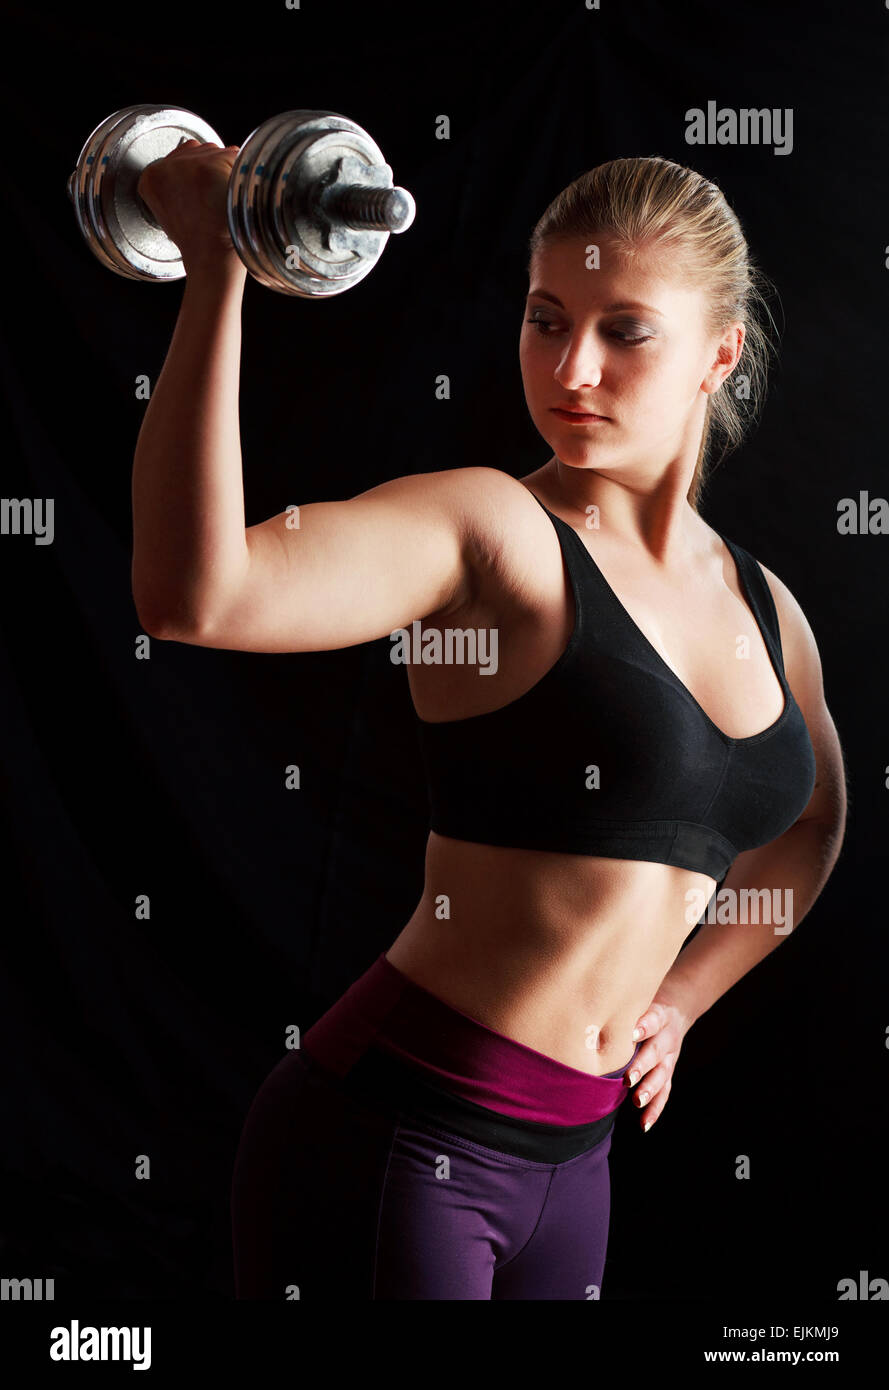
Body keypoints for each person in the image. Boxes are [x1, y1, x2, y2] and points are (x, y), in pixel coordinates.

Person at [133, 147, 847, 1300]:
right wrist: (217, 266)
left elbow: (808, 824)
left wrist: (681, 996)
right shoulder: (495, 533)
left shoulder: (765, 610)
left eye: (626, 331)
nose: (572, 368)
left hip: (581, 1162)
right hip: (401, 1137)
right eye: (545, 319)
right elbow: (192, 594)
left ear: (719, 352)